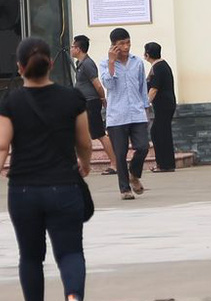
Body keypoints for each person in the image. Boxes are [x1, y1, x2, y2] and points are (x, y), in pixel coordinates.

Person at [0, 36, 95, 301]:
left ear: (19, 67)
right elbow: (84, 141)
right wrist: (84, 163)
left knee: (30, 257)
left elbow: (0, 146)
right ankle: (72, 297)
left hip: (24, 191)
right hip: (64, 187)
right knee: (69, 252)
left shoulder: (11, 102)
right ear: (51, 64)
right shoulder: (71, 98)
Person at [100, 28, 151, 198]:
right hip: (117, 115)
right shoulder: (104, 63)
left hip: (136, 112)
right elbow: (109, 85)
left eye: (128, 42)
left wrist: (145, 107)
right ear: (113, 45)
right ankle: (125, 189)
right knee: (120, 154)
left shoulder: (137, 62)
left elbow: (142, 87)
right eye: (122, 43)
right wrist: (111, 63)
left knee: (143, 146)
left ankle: (134, 174)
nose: (126, 47)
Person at [67, 35, 115, 173]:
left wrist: (102, 99)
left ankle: (115, 163)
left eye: (72, 46)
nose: (70, 49)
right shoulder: (80, 63)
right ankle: (81, 164)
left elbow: (98, 85)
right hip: (84, 103)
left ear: (78, 48)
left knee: (99, 133)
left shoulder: (88, 64)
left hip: (91, 102)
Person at [145, 42, 179, 173]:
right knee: (162, 132)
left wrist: (146, 104)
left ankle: (164, 164)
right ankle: (167, 163)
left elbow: (154, 89)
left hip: (164, 105)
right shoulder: (161, 65)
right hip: (166, 104)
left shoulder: (158, 67)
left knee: (159, 133)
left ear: (147, 54)